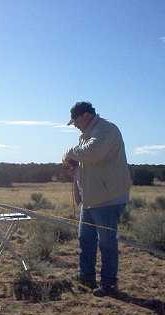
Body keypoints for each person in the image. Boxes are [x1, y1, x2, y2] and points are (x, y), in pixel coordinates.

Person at [62, 101, 131, 297]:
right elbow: (88, 161)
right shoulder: (86, 136)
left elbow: (93, 153)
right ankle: (86, 278)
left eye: (75, 120)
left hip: (108, 198)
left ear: (85, 116)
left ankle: (109, 284)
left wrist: (69, 152)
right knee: (85, 240)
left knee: (107, 243)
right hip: (91, 198)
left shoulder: (106, 130)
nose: (74, 124)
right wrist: (74, 166)